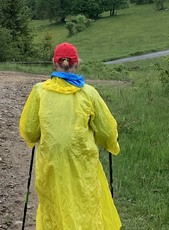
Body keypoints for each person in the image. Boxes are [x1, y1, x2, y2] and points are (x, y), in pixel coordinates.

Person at [19, 42, 121, 230]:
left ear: (54, 63)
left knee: (53, 207)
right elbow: (106, 132)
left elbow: (30, 131)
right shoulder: (89, 93)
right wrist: (111, 142)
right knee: (84, 205)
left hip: (50, 165)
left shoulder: (39, 91)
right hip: (82, 165)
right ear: (77, 64)